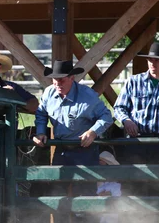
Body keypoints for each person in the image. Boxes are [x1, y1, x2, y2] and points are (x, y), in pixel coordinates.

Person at [33, 60, 113, 195]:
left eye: (61, 80)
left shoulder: (87, 96)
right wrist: (40, 131)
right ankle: (60, 217)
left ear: (72, 78)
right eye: (54, 79)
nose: (57, 83)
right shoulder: (48, 93)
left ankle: (86, 216)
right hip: (61, 149)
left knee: (85, 193)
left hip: (85, 151)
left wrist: (93, 132)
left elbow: (106, 116)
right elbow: (41, 114)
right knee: (57, 192)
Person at [114, 42, 159, 195]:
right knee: (132, 188)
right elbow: (119, 107)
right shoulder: (133, 81)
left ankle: (157, 219)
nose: (152, 63)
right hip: (136, 141)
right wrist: (126, 120)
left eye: (157, 60)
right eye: (150, 59)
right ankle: (133, 218)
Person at [96, 151, 121, 223]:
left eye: (101, 161)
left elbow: (113, 195)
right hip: (99, 210)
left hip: (111, 210)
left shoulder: (115, 184)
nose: (99, 163)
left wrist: (105, 193)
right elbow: (99, 194)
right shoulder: (99, 180)